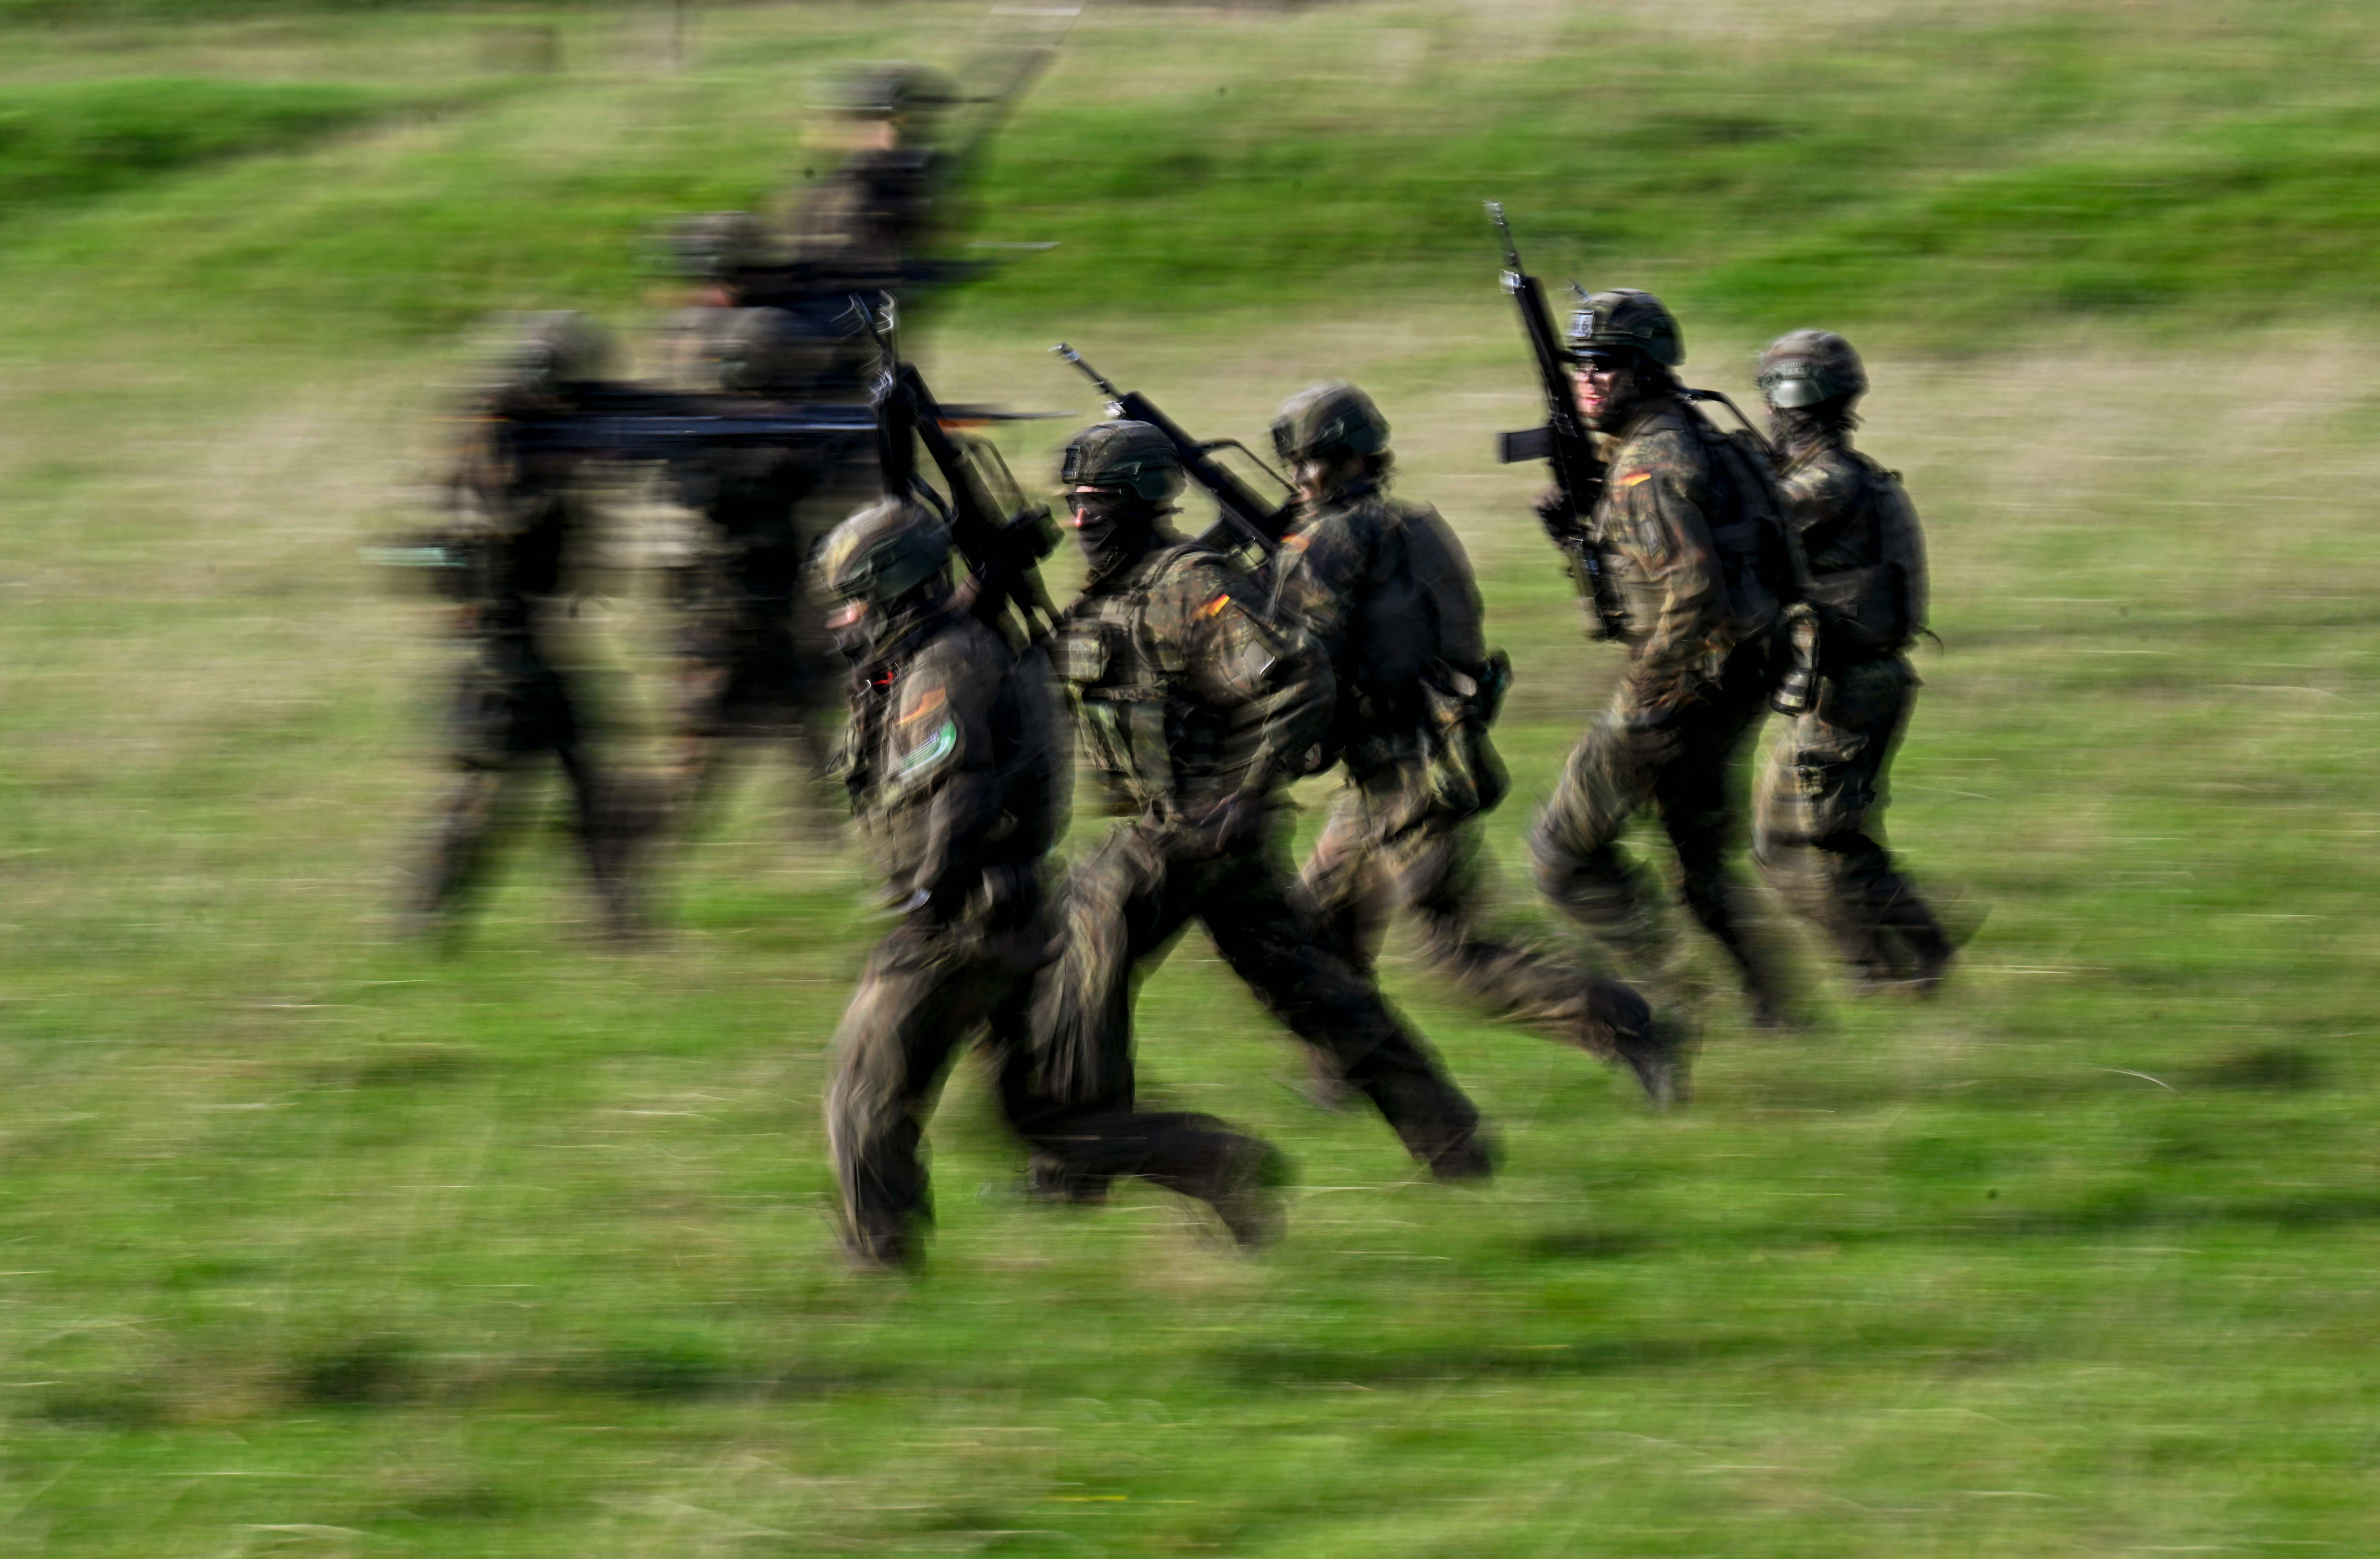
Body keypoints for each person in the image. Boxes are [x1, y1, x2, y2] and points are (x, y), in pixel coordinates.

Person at [817, 498, 1283, 1271]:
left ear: (897, 594)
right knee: (1046, 1117)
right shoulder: (945, 642)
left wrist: (928, 896)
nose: (844, 620)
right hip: (1016, 912)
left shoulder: (943, 667)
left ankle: (877, 1257)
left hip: (963, 918)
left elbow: (960, 791)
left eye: (857, 601)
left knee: (862, 1092)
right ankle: (1208, 1160)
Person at [1034, 420, 1494, 1181]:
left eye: (1096, 504)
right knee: (1315, 989)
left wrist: (1243, 794)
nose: (1080, 521)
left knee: (1080, 948)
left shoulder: (1190, 586)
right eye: (1074, 504)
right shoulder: (1114, 590)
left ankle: (1080, 1161)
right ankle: (1451, 1141)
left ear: (1143, 500)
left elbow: (1295, 680)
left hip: (1192, 830)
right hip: (1204, 840)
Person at [1265, 382, 1687, 1106]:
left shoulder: (1330, 541)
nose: (1296, 480)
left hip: (1406, 778)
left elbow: (1300, 661)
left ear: (1319, 464)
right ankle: (1342, 1071)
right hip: (1416, 761)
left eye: (1301, 464)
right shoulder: (1413, 527)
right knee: (1313, 926)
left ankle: (1630, 1024)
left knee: (1455, 952)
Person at [1524, 290, 1800, 1026]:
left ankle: (1679, 998)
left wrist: (1649, 688)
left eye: (1606, 365)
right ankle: (1777, 1012)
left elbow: (1691, 586)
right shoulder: (1690, 434)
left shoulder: (1648, 464)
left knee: (1560, 855)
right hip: (1736, 677)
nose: (1587, 378)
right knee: (1699, 866)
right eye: (1578, 364)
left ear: (1646, 372)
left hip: (1683, 688)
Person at [405, 313, 646, 943]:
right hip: (501, 649)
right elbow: (499, 528)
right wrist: (571, 470)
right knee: (487, 793)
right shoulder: (499, 440)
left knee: (587, 781)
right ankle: (424, 915)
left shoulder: (517, 434)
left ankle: (614, 921)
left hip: (530, 641)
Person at [1749, 330, 1955, 991]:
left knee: (1829, 840)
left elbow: (1747, 533)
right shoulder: (1846, 475)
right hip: (1839, 684)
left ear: (1784, 399)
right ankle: (1881, 965)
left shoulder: (1824, 485)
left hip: (1848, 689)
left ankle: (1916, 958)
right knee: (1783, 843)